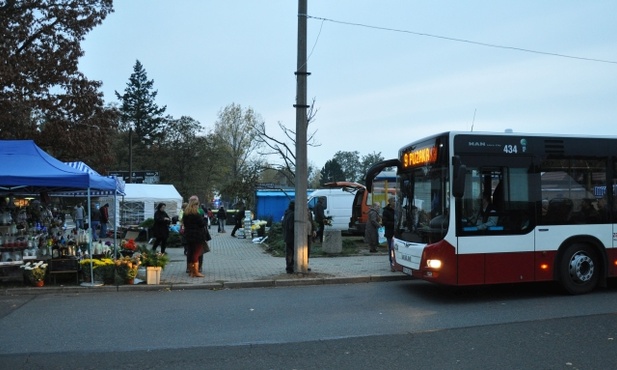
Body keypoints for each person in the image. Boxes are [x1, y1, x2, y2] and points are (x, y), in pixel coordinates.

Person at [182, 196, 206, 277]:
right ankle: (196, 271)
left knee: (190, 252)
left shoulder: (186, 213)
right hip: (197, 236)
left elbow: (184, 224)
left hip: (188, 235)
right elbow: (202, 224)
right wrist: (204, 220)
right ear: (195, 205)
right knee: (196, 253)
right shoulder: (196, 214)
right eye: (197, 205)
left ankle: (190, 271)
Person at [382, 197, 396, 271]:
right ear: (390, 202)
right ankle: (392, 264)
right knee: (391, 249)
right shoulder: (386, 211)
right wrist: (394, 224)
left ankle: (397, 264)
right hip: (390, 233)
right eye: (394, 201)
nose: (395, 203)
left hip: (398, 233)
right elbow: (384, 222)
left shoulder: (398, 210)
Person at [282, 200, 295, 274]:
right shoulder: (292, 214)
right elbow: (292, 227)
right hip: (291, 236)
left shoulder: (287, 213)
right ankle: (290, 267)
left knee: (289, 252)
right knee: (291, 252)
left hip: (287, 235)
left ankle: (289, 266)